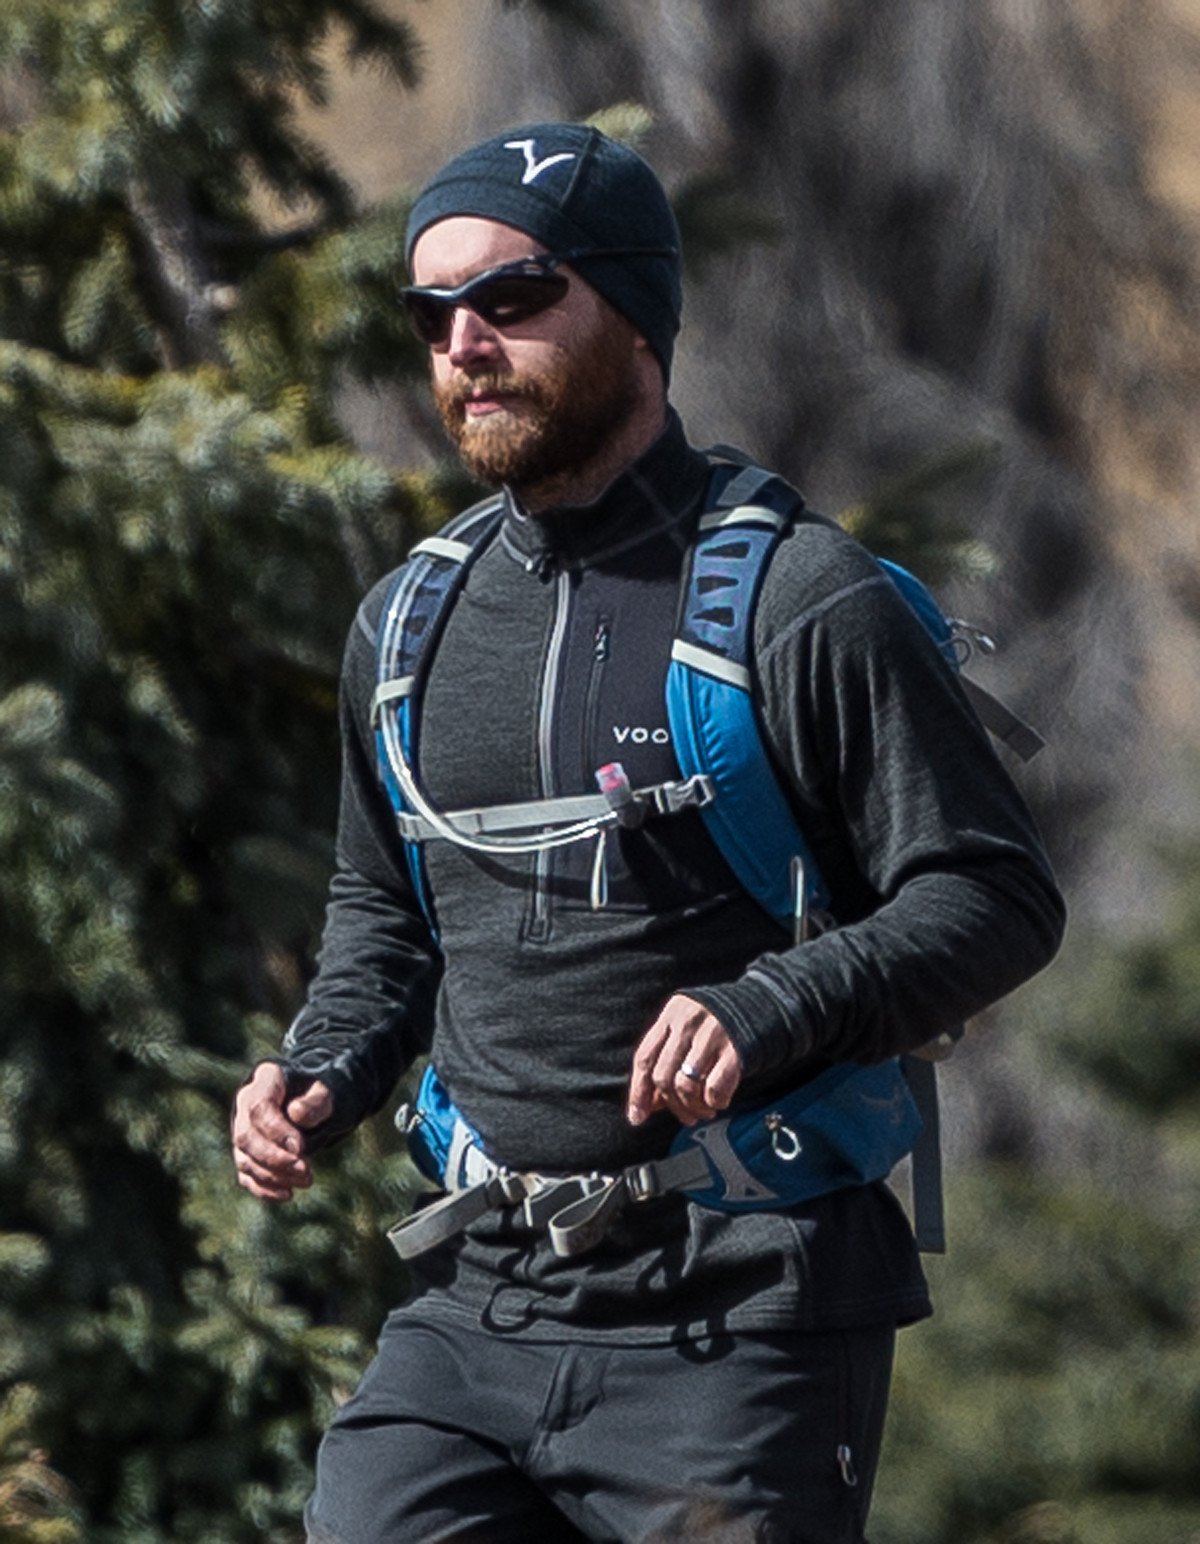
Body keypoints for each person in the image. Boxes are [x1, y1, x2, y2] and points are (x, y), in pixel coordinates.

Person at [231, 122, 1066, 1543]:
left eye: (512, 297)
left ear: (633, 312)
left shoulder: (804, 601)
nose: (465, 345)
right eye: (433, 316)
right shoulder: (407, 628)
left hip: (744, 1319)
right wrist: (321, 1072)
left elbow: (993, 897)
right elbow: (387, 915)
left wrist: (768, 1004)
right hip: (477, 1305)